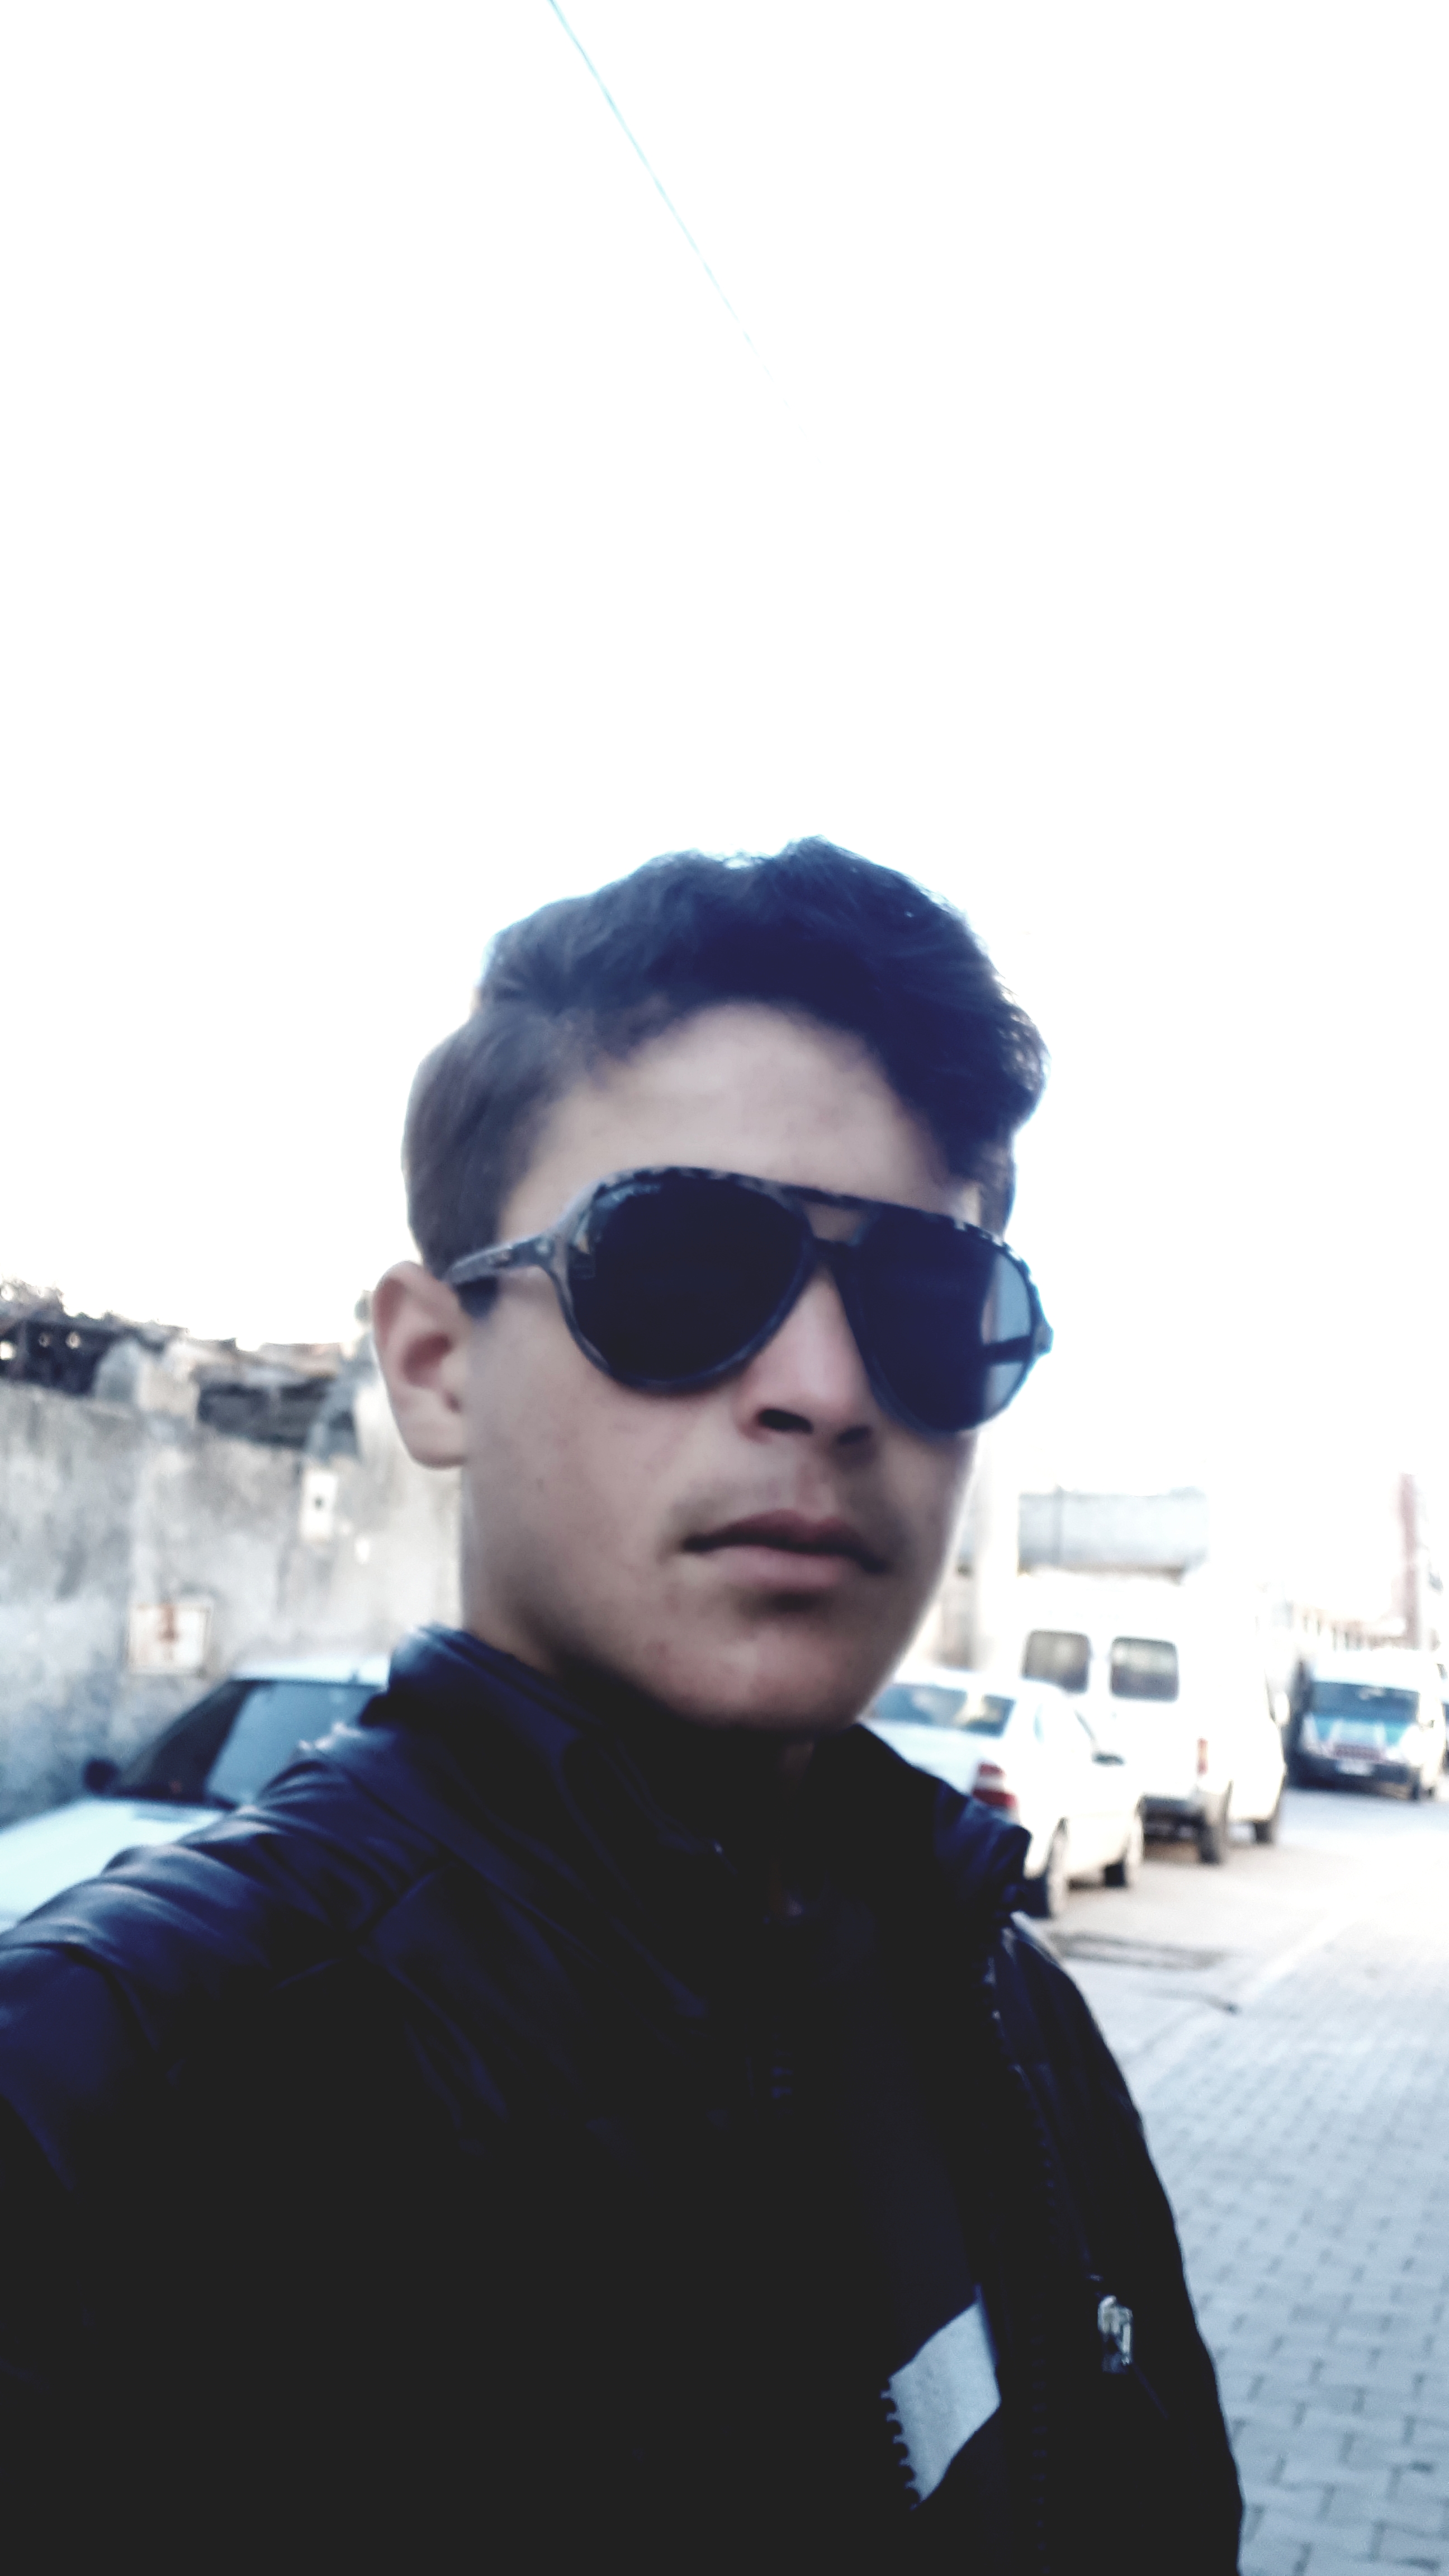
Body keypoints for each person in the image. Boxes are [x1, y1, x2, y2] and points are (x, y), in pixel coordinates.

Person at [0, 841, 1241, 2571]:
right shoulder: (97, 2106)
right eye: (680, 1270)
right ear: (434, 1363)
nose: (826, 1390)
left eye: (926, 1304)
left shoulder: (1014, 2020)